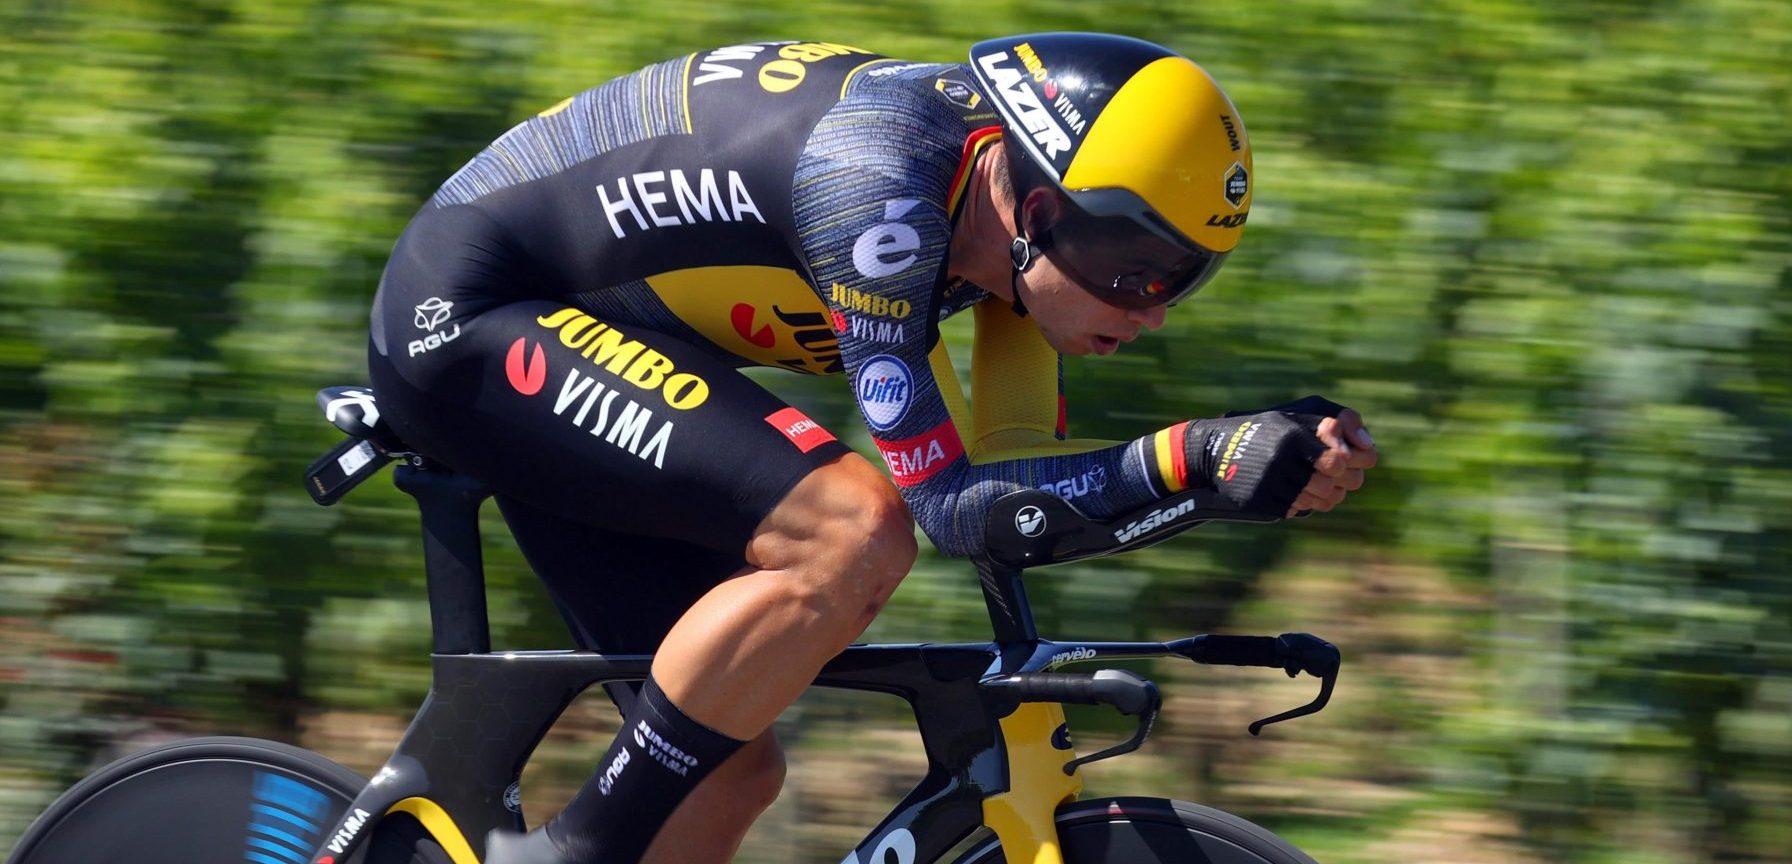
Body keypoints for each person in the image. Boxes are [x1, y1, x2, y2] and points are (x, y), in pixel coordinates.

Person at [365, 32, 1377, 864]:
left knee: (726, 773)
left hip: (598, 339)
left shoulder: (1006, 225)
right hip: (470, 318)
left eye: (1186, 278)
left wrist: (1228, 473)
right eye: (1139, 270)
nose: (1152, 311)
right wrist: (1194, 457)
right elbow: (943, 510)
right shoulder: (877, 193)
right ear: (1037, 211)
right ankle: (570, 854)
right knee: (851, 529)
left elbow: (1014, 499)